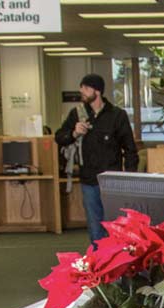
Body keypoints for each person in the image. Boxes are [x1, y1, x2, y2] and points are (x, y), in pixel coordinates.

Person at [56, 73, 139, 243]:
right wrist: (73, 133)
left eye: (86, 88)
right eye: (82, 87)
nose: (82, 91)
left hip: (113, 180)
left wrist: (129, 177)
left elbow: (130, 149)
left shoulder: (117, 115)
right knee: (95, 229)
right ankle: (99, 266)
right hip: (89, 180)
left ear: (98, 91)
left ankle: (119, 264)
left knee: (117, 227)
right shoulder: (76, 114)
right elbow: (59, 137)